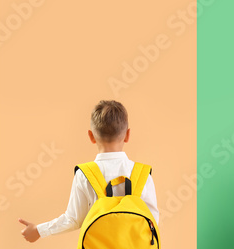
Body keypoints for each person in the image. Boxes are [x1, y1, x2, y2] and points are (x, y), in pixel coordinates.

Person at [18, 99, 160, 241]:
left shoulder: (85, 174)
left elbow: (73, 219)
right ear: (128, 135)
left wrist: (39, 231)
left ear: (91, 136)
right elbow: (153, 219)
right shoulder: (142, 174)